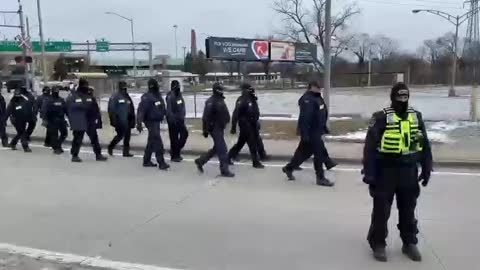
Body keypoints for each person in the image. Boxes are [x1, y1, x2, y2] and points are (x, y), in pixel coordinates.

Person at [362, 82, 432, 262]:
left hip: (409, 171)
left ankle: (409, 242)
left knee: (409, 209)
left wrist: (426, 167)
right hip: (386, 171)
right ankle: (378, 243)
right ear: (392, 97)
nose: (402, 100)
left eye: (405, 96)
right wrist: (369, 173)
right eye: (399, 96)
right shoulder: (381, 117)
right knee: (381, 210)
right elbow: (370, 147)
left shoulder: (416, 117)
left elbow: (424, 144)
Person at [282, 81, 334, 187]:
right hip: (311, 131)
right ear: (311, 87)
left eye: (320, 87)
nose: (320, 89)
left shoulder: (317, 98)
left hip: (317, 130)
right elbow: (305, 118)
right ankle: (320, 178)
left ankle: (289, 168)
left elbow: (321, 113)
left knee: (304, 153)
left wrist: (324, 127)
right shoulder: (307, 100)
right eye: (317, 87)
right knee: (318, 154)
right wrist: (305, 134)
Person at [194, 83, 234, 177]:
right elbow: (205, 117)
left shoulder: (220, 100)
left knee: (217, 148)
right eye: (220, 89)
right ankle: (224, 170)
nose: (222, 91)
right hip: (214, 128)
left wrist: (226, 120)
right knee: (222, 149)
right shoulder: (211, 101)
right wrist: (205, 130)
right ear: (217, 90)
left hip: (220, 127)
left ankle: (201, 161)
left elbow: (224, 113)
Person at [66, 79, 107, 162]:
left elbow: (95, 108)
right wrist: (71, 120)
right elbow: (69, 109)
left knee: (94, 139)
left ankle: (98, 155)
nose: (86, 87)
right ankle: (74, 155)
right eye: (84, 85)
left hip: (90, 121)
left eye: (86, 85)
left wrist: (98, 119)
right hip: (79, 120)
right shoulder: (74, 96)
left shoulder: (89, 95)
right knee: (77, 139)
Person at [227, 83, 265, 168]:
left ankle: (228, 157)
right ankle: (255, 162)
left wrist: (256, 122)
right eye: (249, 89)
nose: (252, 90)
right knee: (252, 144)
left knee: (240, 144)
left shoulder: (252, 98)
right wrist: (233, 126)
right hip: (245, 125)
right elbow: (235, 113)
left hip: (252, 124)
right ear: (245, 90)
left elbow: (255, 112)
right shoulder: (242, 100)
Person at [136, 78, 170, 170]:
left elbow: (162, 107)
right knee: (157, 142)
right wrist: (139, 122)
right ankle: (161, 162)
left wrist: (164, 114)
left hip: (157, 121)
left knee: (151, 141)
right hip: (150, 122)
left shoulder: (157, 96)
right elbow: (141, 111)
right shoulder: (147, 97)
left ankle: (146, 160)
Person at [108, 81, 135, 157]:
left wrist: (132, 118)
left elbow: (131, 108)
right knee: (120, 135)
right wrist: (113, 120)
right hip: (119, 120)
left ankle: (126, 152)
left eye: (125, 88)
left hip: (127, 120)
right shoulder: (115, 96)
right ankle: (111, 146)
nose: (124, 89)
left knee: (127, 136)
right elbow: (111, 109)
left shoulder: (127, 96)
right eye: (123, 88)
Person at [4, 86, 35, 152]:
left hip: (23, 119)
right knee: (22, 132)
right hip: (15, 120)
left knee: (20, 133)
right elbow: (7, 112)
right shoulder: (12, 102)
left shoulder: (25, 100)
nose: (17, 96)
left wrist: (31, 118)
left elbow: (28, 109)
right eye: (16, 95)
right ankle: (25, 147)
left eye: (19, 95)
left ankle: (13, 143)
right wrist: (4, 121)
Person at [166, 80, 188, 162]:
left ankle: (175, 151)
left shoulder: (179, 95)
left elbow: (182, 106)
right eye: (177, 86)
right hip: (173, 121)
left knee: (184, 134)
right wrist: (173, 120)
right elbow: (169, 110)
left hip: (180, 120)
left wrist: (183, 116)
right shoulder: (170, 96)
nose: (178, 87)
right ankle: (175, 155)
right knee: (174, 138)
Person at [41, 86, 68, 154]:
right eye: (55, 90)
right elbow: (44, 110)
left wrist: (68, 119)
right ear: (52, 91)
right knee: (54, 135)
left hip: (61, 119)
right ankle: (56, 148)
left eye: (57, 90)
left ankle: (58, 145)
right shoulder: (48, 100)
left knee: (64, 133)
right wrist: (45, 119)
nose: (56, 92)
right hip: (52, 119)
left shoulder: (61, 100)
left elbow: (65, 109)